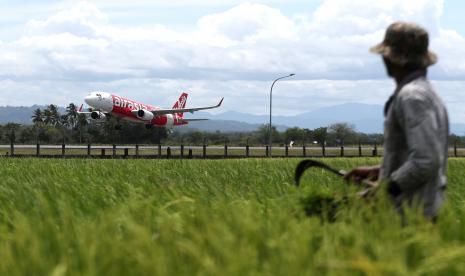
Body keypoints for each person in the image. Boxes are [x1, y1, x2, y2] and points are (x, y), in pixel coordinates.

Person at [344, 22, 449, 220]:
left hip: (411, 214)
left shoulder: (412, 97)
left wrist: (382, 190)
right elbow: (420, 155)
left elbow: (425, 160)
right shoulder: (427, 93)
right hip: (419, 210)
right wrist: (380, 171)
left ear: (391, 58)